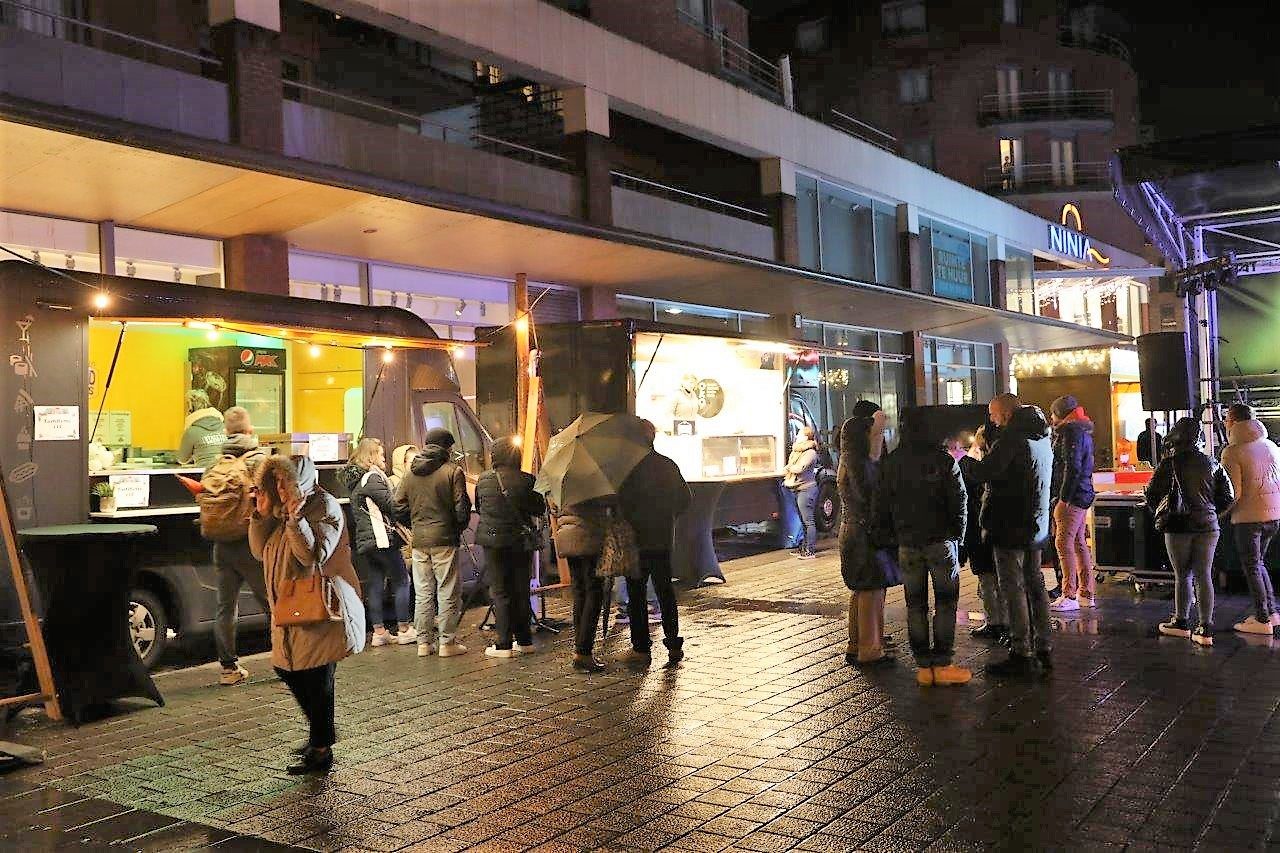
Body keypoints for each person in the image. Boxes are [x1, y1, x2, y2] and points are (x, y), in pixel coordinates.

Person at [250, 455, 360, 775]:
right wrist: (259, 515)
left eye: (284, 481)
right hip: (289, 606)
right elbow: (259, 551)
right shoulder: (277, 509)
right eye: (275, 482)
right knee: (289, 670)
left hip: (319, 608)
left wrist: (296, 519)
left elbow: (312, 555)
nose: (280, 488)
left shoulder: (323, 506)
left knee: (317, 677)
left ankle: (321, 748)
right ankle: (320, 736)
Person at [876, 408, 969, 686]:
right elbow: (959, 501)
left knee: (915, 604)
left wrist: (888, 537)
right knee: (945, 603)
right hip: (941, 541)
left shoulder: (892, 462)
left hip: (907, 543)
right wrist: (959, 537)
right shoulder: (944, 461)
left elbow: (881, 504)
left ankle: (923, 667)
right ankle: (942, 663)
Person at [970, 395, 1054, 676]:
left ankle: (1021, 651)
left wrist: (967, 459)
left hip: (1009, 523)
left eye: (994, 415)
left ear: (1006, 414)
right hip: (1035, 522)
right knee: (1035, 583)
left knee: (1013, 587)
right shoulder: (1041, 436)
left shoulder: (1011, 438)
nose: (992, 421)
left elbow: (986, 471)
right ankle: (1043, 644)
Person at [1146, 417, 1233, 646]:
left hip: (1178, 525)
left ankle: (1181, 622)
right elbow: (1228, 496)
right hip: (1208, 525)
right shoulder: (1212, 462)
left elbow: (1152, 493)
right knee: (1204, 575)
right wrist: (1211, 513)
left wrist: (1162, 511)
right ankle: (1205, 628)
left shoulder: (1169, 463)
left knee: (1183, 575)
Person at [617, 420, 692, 667]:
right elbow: (685, 499)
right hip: (661, 539)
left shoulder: (627, 469)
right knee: (665, 591)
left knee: (636, 594)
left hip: (636, 540)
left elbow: (620, 504)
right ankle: (673, 644)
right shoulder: (667, 465)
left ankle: (641, 649)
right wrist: (667, 516)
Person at [207, 406, 270, 686]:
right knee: (271, 601)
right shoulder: (259, 460)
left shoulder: (216, 462)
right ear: (249, 429)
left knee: (225, 607)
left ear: (226, 431)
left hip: (222, 543)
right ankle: (287, 659)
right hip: (251, 542)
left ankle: (228, 668)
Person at [395, 429, 472, 658]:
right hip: (445, 539)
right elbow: (461, 509)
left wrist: (414, 524)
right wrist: (456, 527)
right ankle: (447, 642)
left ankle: (423, 643)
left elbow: (398, 506)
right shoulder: (452, 471)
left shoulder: (410, 473)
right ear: (447, 447)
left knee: (423, 592)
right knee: (447, 590)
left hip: (419, 541)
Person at [838, 400, 898, 668]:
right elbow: (869, 492)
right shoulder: (861, 463)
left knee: (865, 588)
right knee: (870, 589)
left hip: (856, 529)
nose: (881, 439)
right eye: (875, 434)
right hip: (864, 531)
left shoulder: (850, 459)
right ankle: (870, 650)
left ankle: (858, 643)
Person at [474, 436, 546, 659]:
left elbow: (479, 507)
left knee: (500, 591)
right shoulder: (527, 480)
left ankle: (504, 643)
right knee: (520, 590)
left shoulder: (484, 480)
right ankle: (524, 641)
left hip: (492, 541)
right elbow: (539, 507)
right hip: (519, 542)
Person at [341, 438, 415, 648]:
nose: (384, 459)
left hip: (367, 541)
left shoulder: (358, 481)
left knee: (375, 584)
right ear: (371, 456)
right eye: (381, 455)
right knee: (402, 580)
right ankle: (404, 629)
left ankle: (379, 632)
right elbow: (392, 506)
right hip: (381, 539)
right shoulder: (372, 478)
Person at [1221, 403, 1280, 635]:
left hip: (1248, 517)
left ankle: (1262, 618)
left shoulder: (1232, 452)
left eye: (1227, 418)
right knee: (1259, 563)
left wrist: (1219, 514)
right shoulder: (1270, 446)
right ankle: (1271, 612)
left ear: (1233, 421)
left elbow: (1232, 494)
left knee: (1252, 566)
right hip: (1274, 515)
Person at [957, 427, 1006, 643]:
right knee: (1000, 578)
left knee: (987, 580)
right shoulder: (1003, 466)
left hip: (980, 531)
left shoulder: (972, 468)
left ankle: (995, 622)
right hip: (999, 530)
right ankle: (1005, 620)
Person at [1049, 395, 1097, 613]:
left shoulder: (1070, 432)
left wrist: (1064, 499)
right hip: (1082, 494)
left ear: (1061, 414)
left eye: (1053, 413)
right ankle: (1085, 593)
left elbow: (1072, 468)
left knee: (1063, 543)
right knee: (1078, 543)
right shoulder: (1082, 430)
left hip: (1073, 496)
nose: (1051, 418)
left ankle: (1069, 594)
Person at [552, 498, 612, 673]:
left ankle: (580, 648)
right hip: (589, 536)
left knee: (579, 591)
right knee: (594, 591)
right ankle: (583, 652)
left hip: (567, 536)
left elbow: (554, 509)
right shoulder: (591, 488)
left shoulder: (562, 486)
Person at [784, 426, 821, 559]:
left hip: (807, 489)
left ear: (806, 437)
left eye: (799, 434)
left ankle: (810, 550)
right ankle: (804, 547)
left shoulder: (810, 452)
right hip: (798, 489)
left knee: (808, 521)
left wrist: (789, 467)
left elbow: (800, 468)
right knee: (803, 520)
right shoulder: (797, 451)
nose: (797, 436)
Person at [179, 389, 227, 468]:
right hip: (225, 472)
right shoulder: (224, 427)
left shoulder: (191, 432)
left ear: (190, 409)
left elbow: (182, 459)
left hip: (205, 473)